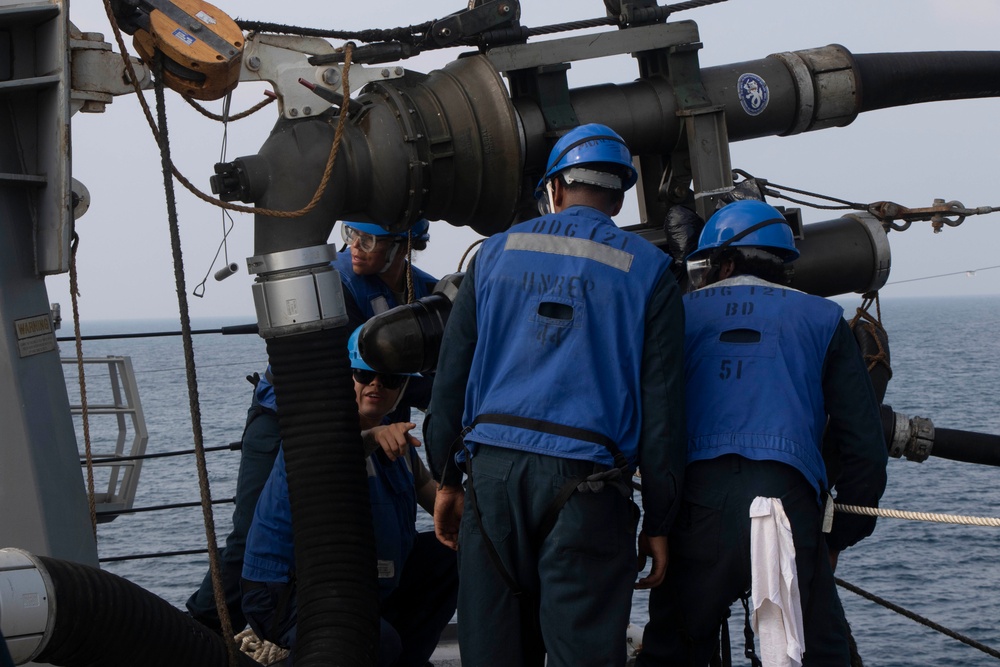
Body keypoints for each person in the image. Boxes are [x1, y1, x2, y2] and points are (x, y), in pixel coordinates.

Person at [425, 123, 687, 667]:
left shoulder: (493, 256)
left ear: (556, 188)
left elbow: (451, 383)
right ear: (616, 196)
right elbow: (663, 412)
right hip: (587, 493)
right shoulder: (651, 272)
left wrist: (448, 480)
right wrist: (660, 522)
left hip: (493, 485)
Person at [636, 199, 888, 666]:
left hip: (696, 510)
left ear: (724, 261)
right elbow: (864, 448)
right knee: (819, 653)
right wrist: (838, 537)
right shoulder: (823, 318)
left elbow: (654, 422)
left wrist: (657, 522)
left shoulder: (679, 314)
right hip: (788, 507)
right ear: (783, 264)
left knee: (672, 650)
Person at [186, 218, 438, 635]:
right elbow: (367, 371)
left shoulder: (424, 292)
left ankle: (374, 640)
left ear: (404, 244)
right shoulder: (333, 285)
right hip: (287, 421)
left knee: (379, 531)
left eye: (369, 239)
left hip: (376, 425)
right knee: (251, 534)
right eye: (350, 236)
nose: (356, 247)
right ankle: (198, 634)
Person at [240, 326, 457, 667]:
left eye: (389, 380)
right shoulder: (313, 434)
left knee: (454, 556)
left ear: (402, 389)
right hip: (289, 593)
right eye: (364, 374)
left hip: (365, 587)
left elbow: (443, 504)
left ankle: (406, 658)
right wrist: (373, 437)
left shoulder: (400, 449)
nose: (375, 385)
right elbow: (333, 458)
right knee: (368, 642)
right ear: (348, 378)